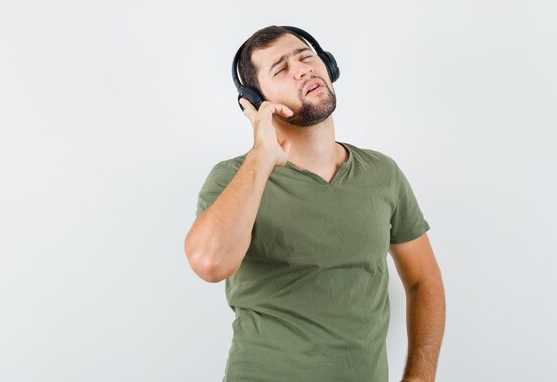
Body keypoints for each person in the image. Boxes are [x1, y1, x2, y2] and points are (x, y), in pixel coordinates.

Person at [184, 25, 446, 382]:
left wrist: (421, 376)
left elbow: (423, 280)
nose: (303, 69)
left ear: (329, 67)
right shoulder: (234, 178)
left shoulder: (382, 173)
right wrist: (263, 155)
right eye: (281, 69)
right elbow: (209, 263)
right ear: (256, 101)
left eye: (306, 57)